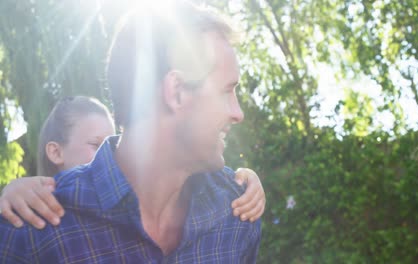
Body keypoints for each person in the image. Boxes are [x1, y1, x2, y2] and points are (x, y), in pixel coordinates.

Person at [0, 2, 261, 263]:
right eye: (227, 90)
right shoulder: (31, 233)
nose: (238, 113)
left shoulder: (237, 213)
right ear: (177, 91)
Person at [0, 96, 265, 229]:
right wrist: (9, 193)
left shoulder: (134, 204)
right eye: (96, 145)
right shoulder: (29, 210)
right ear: (55, 153)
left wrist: (243, 178)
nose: (110, 154)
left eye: (114, 143)